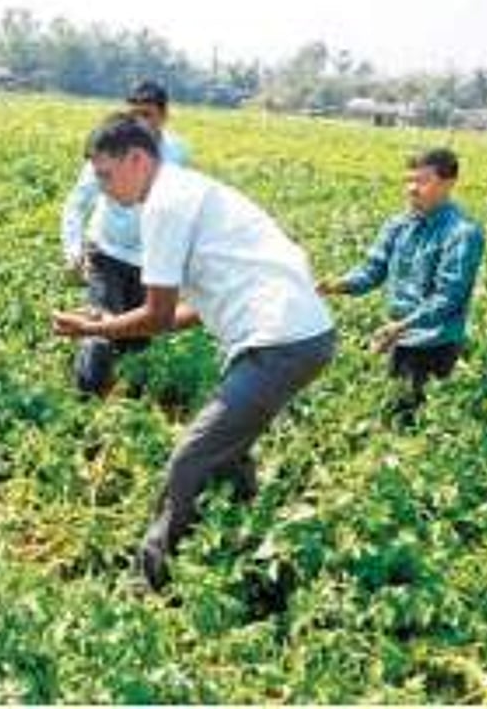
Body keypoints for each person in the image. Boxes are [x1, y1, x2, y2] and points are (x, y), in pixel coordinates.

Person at [52, 115, 336, 591]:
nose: (102, 189)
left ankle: (146, 581)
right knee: (228, 450)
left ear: (137, 160)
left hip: (281, 342)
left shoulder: (164, 205)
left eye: (106, 175)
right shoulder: (187, 191)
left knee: (191, 458)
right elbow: (194, 310)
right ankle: (249, 544)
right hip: (298, 335)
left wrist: (91, 327)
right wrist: (106, 325)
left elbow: (157, 316)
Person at [319, 148, 484, 425]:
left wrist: (403, 325)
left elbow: (449, 297)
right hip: (397, 335)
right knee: (394, 411)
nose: (411, 188)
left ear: (448, 183)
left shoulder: (462, 233)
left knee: (416, 421)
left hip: (434, 342)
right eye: (409, 180)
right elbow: (373, 270)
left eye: (422, 181)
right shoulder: (398, 225)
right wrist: (336, 285)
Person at [60, 81, 189, 396]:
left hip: (149, 260)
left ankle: (128, 403)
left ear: (164, 115)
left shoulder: (177, 152)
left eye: (147, 115)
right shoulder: (112, 147)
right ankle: (84, 402)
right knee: (101, 329)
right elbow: (78, 202)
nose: (139, 123)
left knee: (137, 338)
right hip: (106, 250)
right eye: (133, 115)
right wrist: (73, 250)